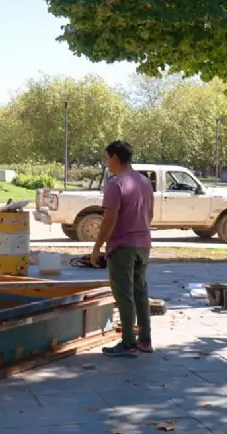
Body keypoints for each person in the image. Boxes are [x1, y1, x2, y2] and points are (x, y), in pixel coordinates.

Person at [90, 140, 155, 357]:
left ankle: (128, 343)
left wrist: (97, 247)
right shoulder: (144, 182)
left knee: (124, 295)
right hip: (143, 244)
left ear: (115, 157)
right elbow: (150, 214)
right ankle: (145, 340)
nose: (107, 163)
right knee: (140, 292)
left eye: (107, 158)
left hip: (122, 246)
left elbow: (109, 218)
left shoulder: (116, 184)